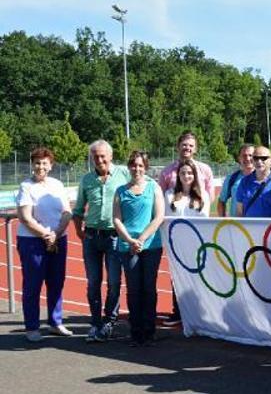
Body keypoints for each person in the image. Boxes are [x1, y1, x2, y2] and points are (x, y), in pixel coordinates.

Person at [72, 140, 130, 343]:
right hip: (91, 237)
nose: (99, 160)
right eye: (95, 156)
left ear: (111, 156)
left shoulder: (124, 174)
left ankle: (109, 322)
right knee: (93, 283)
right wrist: (81, 233)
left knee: (114, 282)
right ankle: (95, 323)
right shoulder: (87, 179)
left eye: (102, 155)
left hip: (114, 236)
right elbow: (78, 210)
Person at [16, 147, 73, 342]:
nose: (41, 166)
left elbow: (67, 212)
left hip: (58, 239)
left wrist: (56, 233)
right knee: (33, 285)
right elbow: (25, 217)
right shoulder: (26, 186)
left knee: (56, 282)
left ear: (51, 165)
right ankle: (32, 327)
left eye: (44, 163)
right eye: (37, 162)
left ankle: (56, 322)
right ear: (32, 164)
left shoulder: (57, 184)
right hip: (32, 242)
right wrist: (45, 234)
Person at [159, 130, 214, 326]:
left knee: (199, 274)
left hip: (197, 235)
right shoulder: (166, 172)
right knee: (177, 275)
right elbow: (161, 202)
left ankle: (201, 311)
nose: (187, 148)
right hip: (176, 237)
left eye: (191, 145)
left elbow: (208, 199)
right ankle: (178, 311)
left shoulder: (205, 170)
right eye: (184, 145)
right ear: (178, 146)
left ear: (195, 148)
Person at [113, 151, 165, 347]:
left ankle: (150, 331)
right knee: (134, 289)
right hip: (128, 246)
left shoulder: (154, 188)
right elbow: (116, 218)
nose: (137, 169)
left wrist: (141, 239)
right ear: (129, 167)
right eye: (134, 165)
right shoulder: (120, 191)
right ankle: (136, 332)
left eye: (141, 165)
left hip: (151, 245)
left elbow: (158, 217)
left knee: (149, 288)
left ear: (146, 167)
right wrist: (130, 240)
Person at [235, 146, 271, 217]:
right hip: (249, 227)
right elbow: (239, 211)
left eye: (264, 158)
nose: (259, 161)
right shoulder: (244, 182)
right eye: (256, 158)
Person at [217, 144, 254, 217]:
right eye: (244, 155)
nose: (247, 158)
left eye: (250, 155)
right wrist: (224, 221)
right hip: (236, 226)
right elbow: (221, 201)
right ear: (239, 158)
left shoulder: (263, 178)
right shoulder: (231, 178)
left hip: (257, 226)